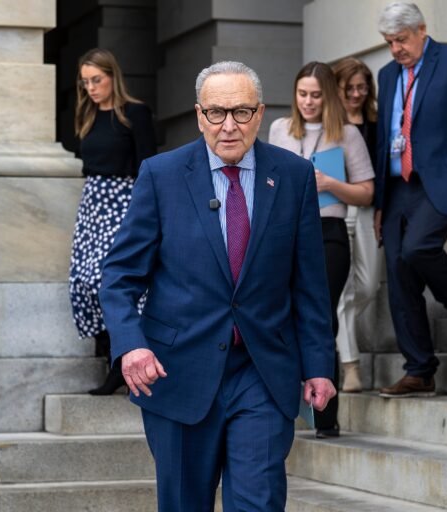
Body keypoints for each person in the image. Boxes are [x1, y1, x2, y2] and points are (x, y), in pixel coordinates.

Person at [99, 61, 337, 511]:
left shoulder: (293, 175)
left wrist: (319, 364)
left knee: (258, 502)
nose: (229, 126)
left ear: (261, 113)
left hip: (263, 371)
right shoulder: (161, 174)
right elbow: (119, 276)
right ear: (198, 115)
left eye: (242, 112)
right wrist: (131, 346)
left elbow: (309, 283)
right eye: (216, 113)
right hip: (178, 372)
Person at [374, 2, 447, 398]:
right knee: (399, 276)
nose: (396, 49)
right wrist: (379, 202)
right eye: (389, 42)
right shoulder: (387, 75)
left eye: (401, 40)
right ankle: (419, 369)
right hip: (396, 186)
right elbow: (382, 138)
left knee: (418, 249)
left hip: (439, 180)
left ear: (421, 29)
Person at [268, 61, 374, 436]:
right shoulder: (280, 129)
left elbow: (366, 191)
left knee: (321, 317)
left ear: (327, 95)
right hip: (285, 233)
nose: (308, 102)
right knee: (282, 317)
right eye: (302, 94)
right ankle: (285, 405)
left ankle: (325, 417)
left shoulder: (345, 133)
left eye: (315, 94)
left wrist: (329, 182)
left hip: (328, 230)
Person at [68, 48, 156, 395]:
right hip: (92, 206)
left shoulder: (134, 113)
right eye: (85, 81)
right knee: (82, 283)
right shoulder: (86, 115)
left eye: (97, 80)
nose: (91, 87)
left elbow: (148, 166)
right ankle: (114, 360)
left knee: (110, 281)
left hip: (124, 204)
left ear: (112, 77)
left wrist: (143, 214)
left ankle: (123, 360)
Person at [332, 56, 383, 392]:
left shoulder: (377, 122)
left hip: (366, 209)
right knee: (342, 292)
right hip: (334, 210)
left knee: (367, 286)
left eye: (361, 87)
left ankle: (340, 339)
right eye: (348, 88)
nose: (355, 94)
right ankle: (350, 365)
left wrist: (381, 208)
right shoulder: (328, 124)